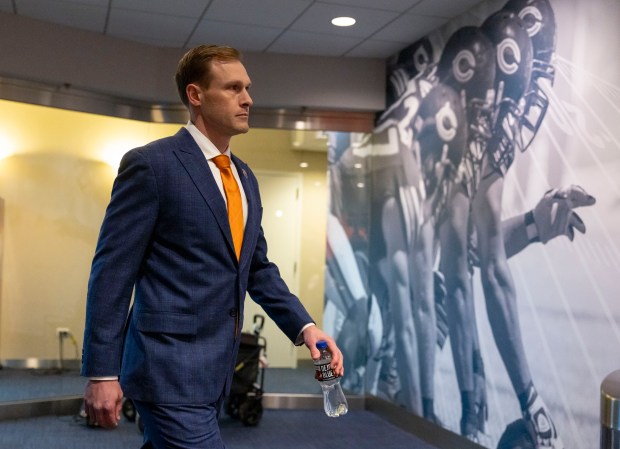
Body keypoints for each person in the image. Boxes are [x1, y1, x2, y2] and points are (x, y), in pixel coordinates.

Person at [80, 44, 343, 449]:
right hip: (166, 370)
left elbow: (256, 267)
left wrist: (305, 328)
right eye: (233, 88)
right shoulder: (152, 165)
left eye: (248, 88)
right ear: (196, 95)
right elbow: (112, 272)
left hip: (215, 372)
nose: (248, 99)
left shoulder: (244, 178)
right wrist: (101, 373)